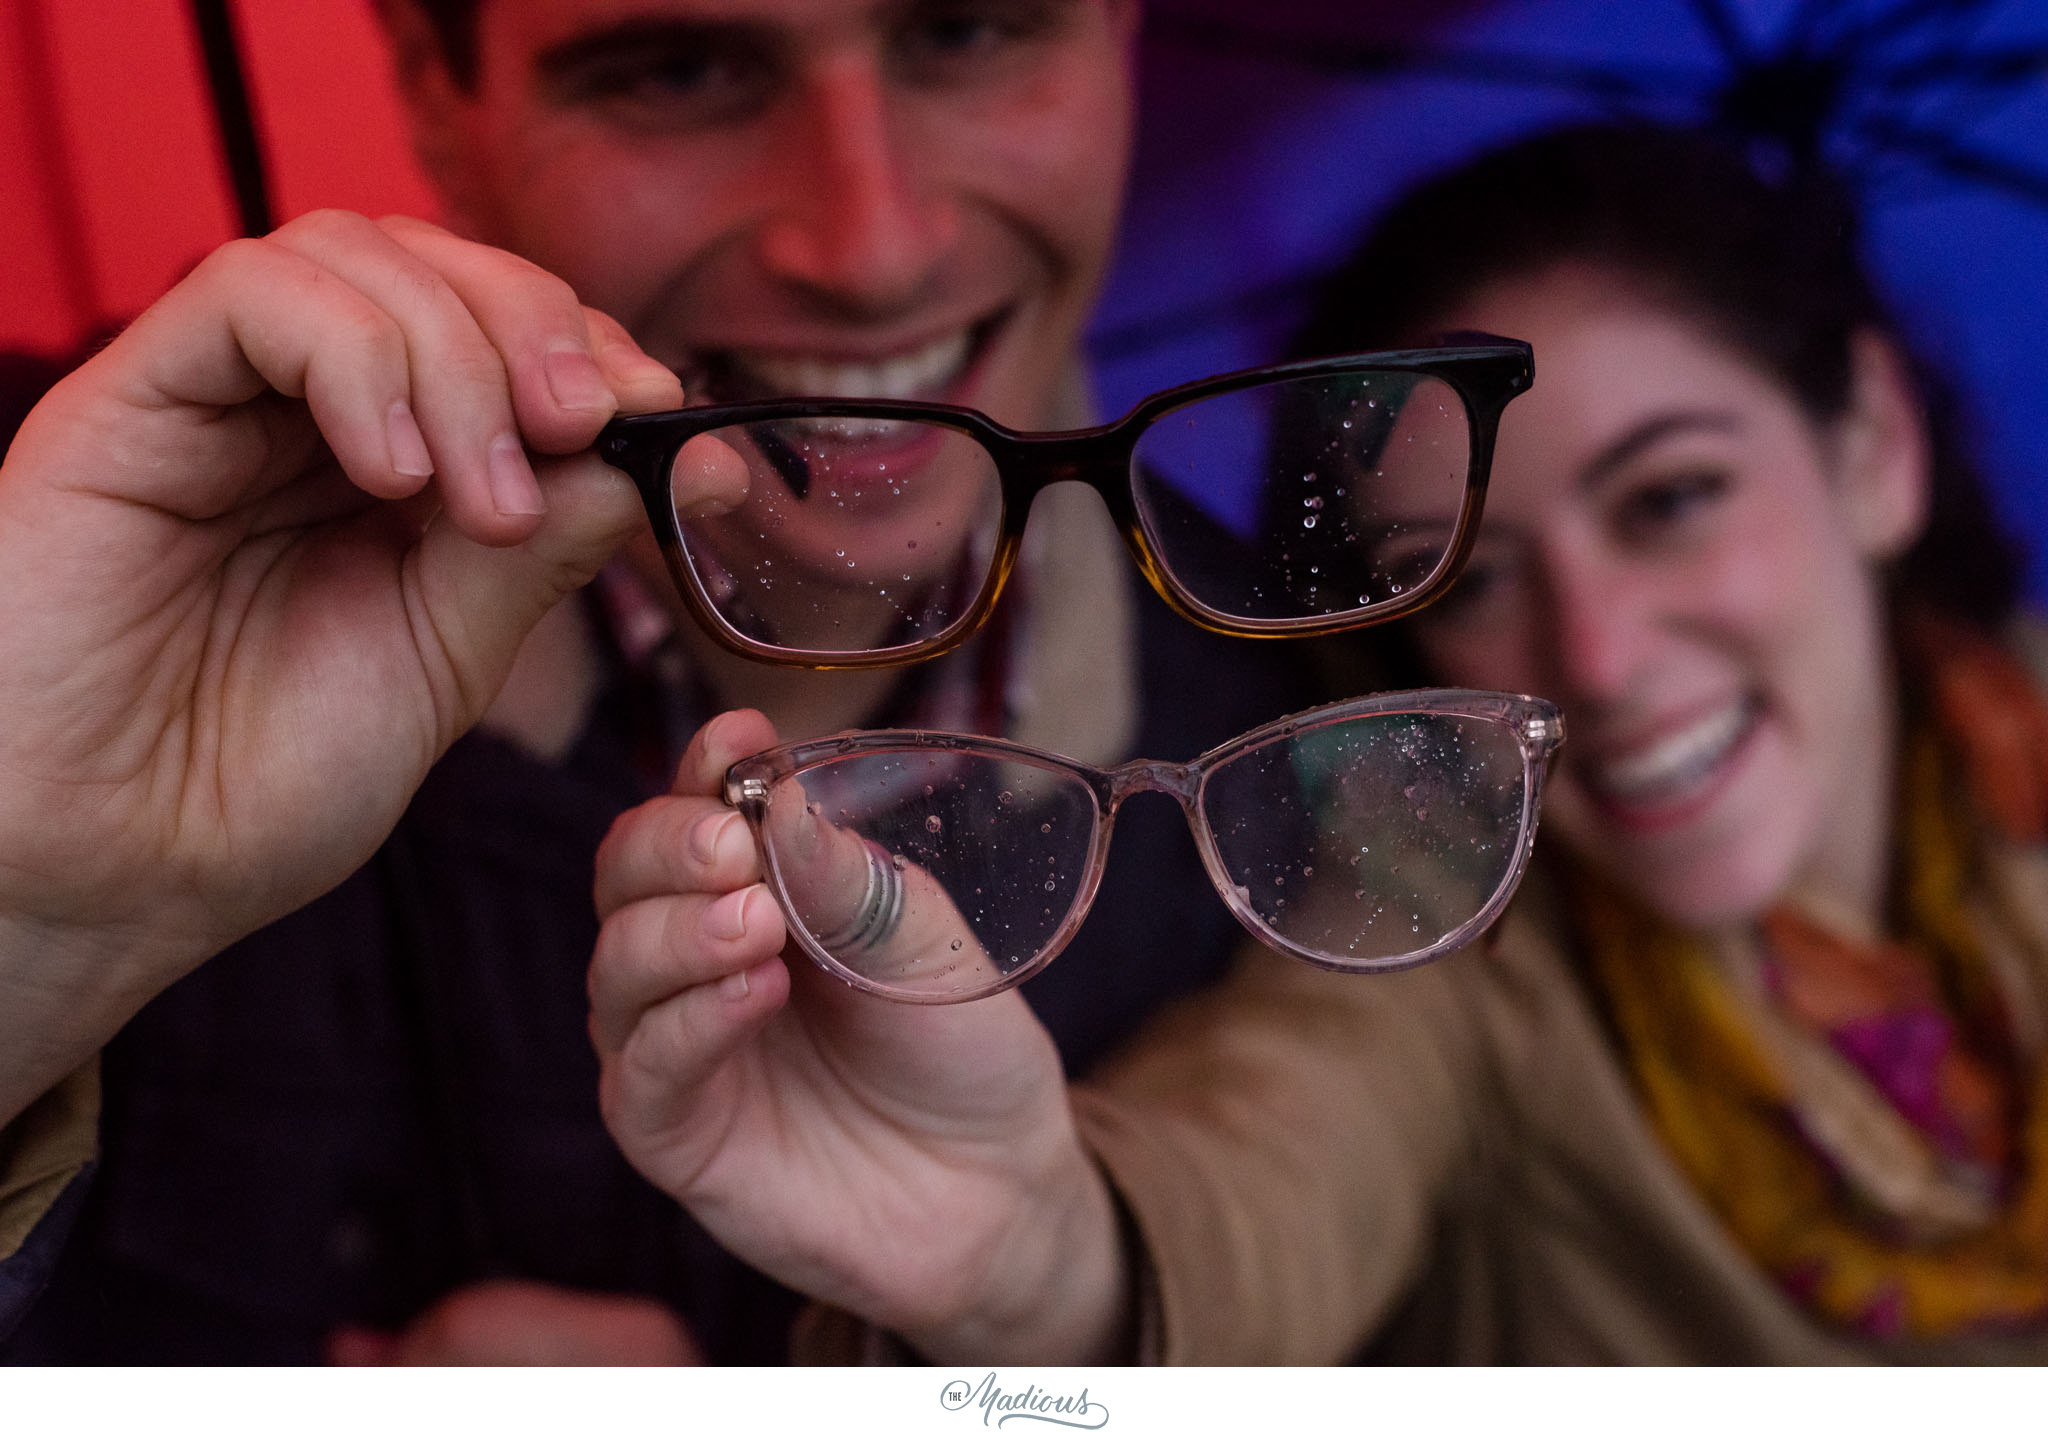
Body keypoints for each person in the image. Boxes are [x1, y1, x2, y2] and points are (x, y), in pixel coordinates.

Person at [587, 122, 2048, 1362]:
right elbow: (1264, 1158)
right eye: (1467, 576)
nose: (1597, 661)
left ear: (1875, 450)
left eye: (1670, 500)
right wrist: (1035, 1255)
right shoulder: (1440, 956)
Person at [0, 0, 1317, 1361]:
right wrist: (25, 935)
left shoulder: (1312, 735)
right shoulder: (49, 559)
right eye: (682, 71)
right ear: (436, 94)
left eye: (968, 32)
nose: (868, 249)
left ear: (1121, 31)